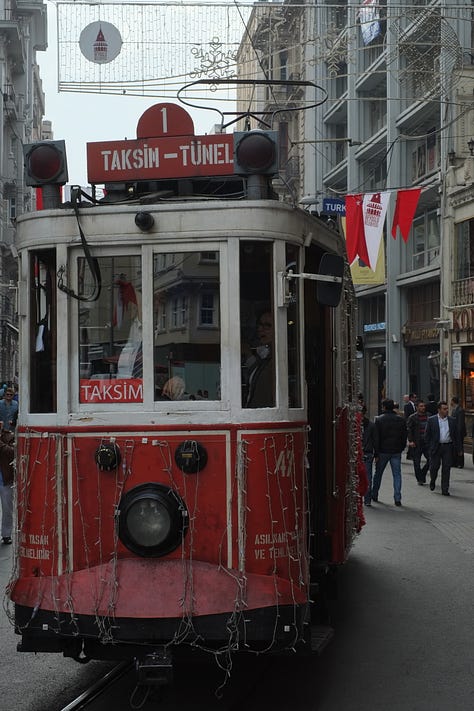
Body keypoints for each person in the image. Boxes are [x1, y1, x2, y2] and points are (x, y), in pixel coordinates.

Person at [372, 398, 407, 506]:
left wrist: (376, 453)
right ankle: (397, 498)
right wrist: (401, 448)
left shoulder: (379, 420)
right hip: (396, 451)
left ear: (384, 407)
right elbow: (404, 436)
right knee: (397, 474)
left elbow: (376, 438)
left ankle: (374, 494)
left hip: (383, 451)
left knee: (378, 474)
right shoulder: (400, 420)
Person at [424, 401, 461, 496]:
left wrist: (459, 449)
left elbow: (456, 435)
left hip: (448, 447)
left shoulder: (452, 420)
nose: (446, 410)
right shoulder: (432, 420)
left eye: (447, 408)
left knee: (446, 468)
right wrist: (429, 447)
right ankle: (433, 480)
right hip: (436, 447)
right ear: (439, 410)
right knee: (434, 467)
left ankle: (445, 489)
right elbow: (427, 435)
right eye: (444, 409)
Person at [243, 310, 274, 408]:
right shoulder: (264, 355)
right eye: (260, 325)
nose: (260, 329)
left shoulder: (279, 358)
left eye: (267, 325)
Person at [406, 400, 430, 484]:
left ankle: (422, 474)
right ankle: (419, 479)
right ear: (417, 407)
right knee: (416, 462)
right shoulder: (412, 417)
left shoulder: (429, 416)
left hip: (427, 442)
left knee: (431, 460)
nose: (423, 407)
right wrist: (411, 441)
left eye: (424, 406)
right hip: (417, 442)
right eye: (421, 406)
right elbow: (409, 430)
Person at [361, 406, 376, 506]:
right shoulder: (371, 425)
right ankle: (367, 500)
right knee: (367, 476)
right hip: (367, 452)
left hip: (365, 452)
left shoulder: (353, 424)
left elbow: (375, 440)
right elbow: (375, 440)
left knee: (365, 477)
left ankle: (363, 499)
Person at [450, 396, 466, 468]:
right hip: (454, 432)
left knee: (460, 447)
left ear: (453, 401)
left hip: (459, 433)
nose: (450, 402)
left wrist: (458, 433)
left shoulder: (460, 410)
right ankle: (454, 462)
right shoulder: (454, 410)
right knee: (454, 447)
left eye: (451, 401)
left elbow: (460, 423)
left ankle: (460, 463)